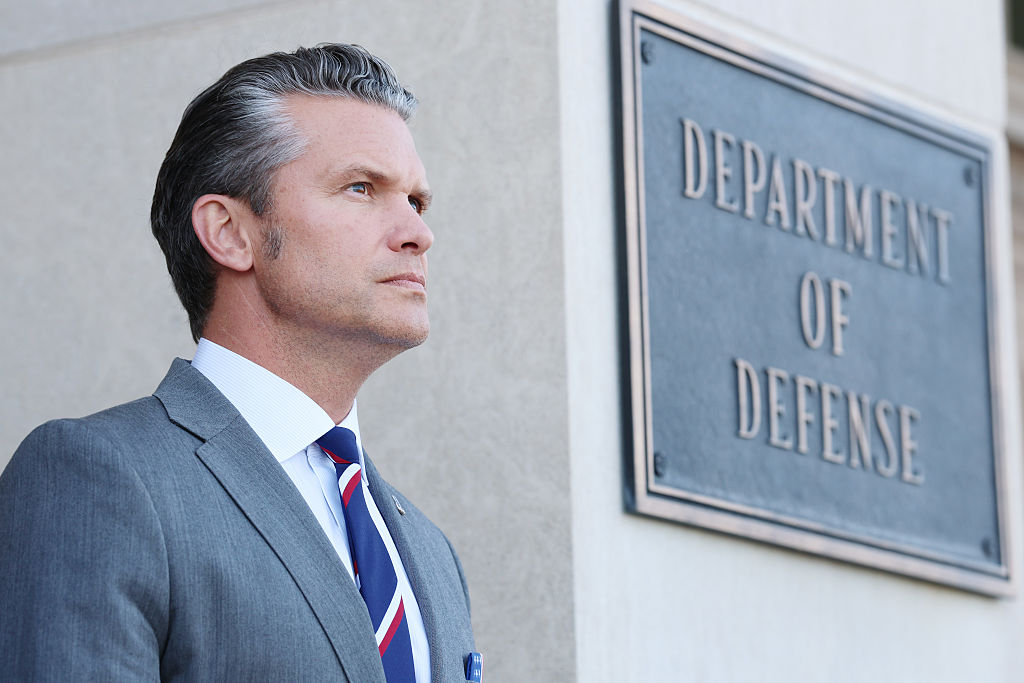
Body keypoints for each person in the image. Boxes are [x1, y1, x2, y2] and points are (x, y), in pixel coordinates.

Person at [0, 44, 477, 682]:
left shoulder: (429, 553)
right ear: (229, 232)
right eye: (362, 188)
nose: (417, 232)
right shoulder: (99, 478)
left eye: (417, 201)